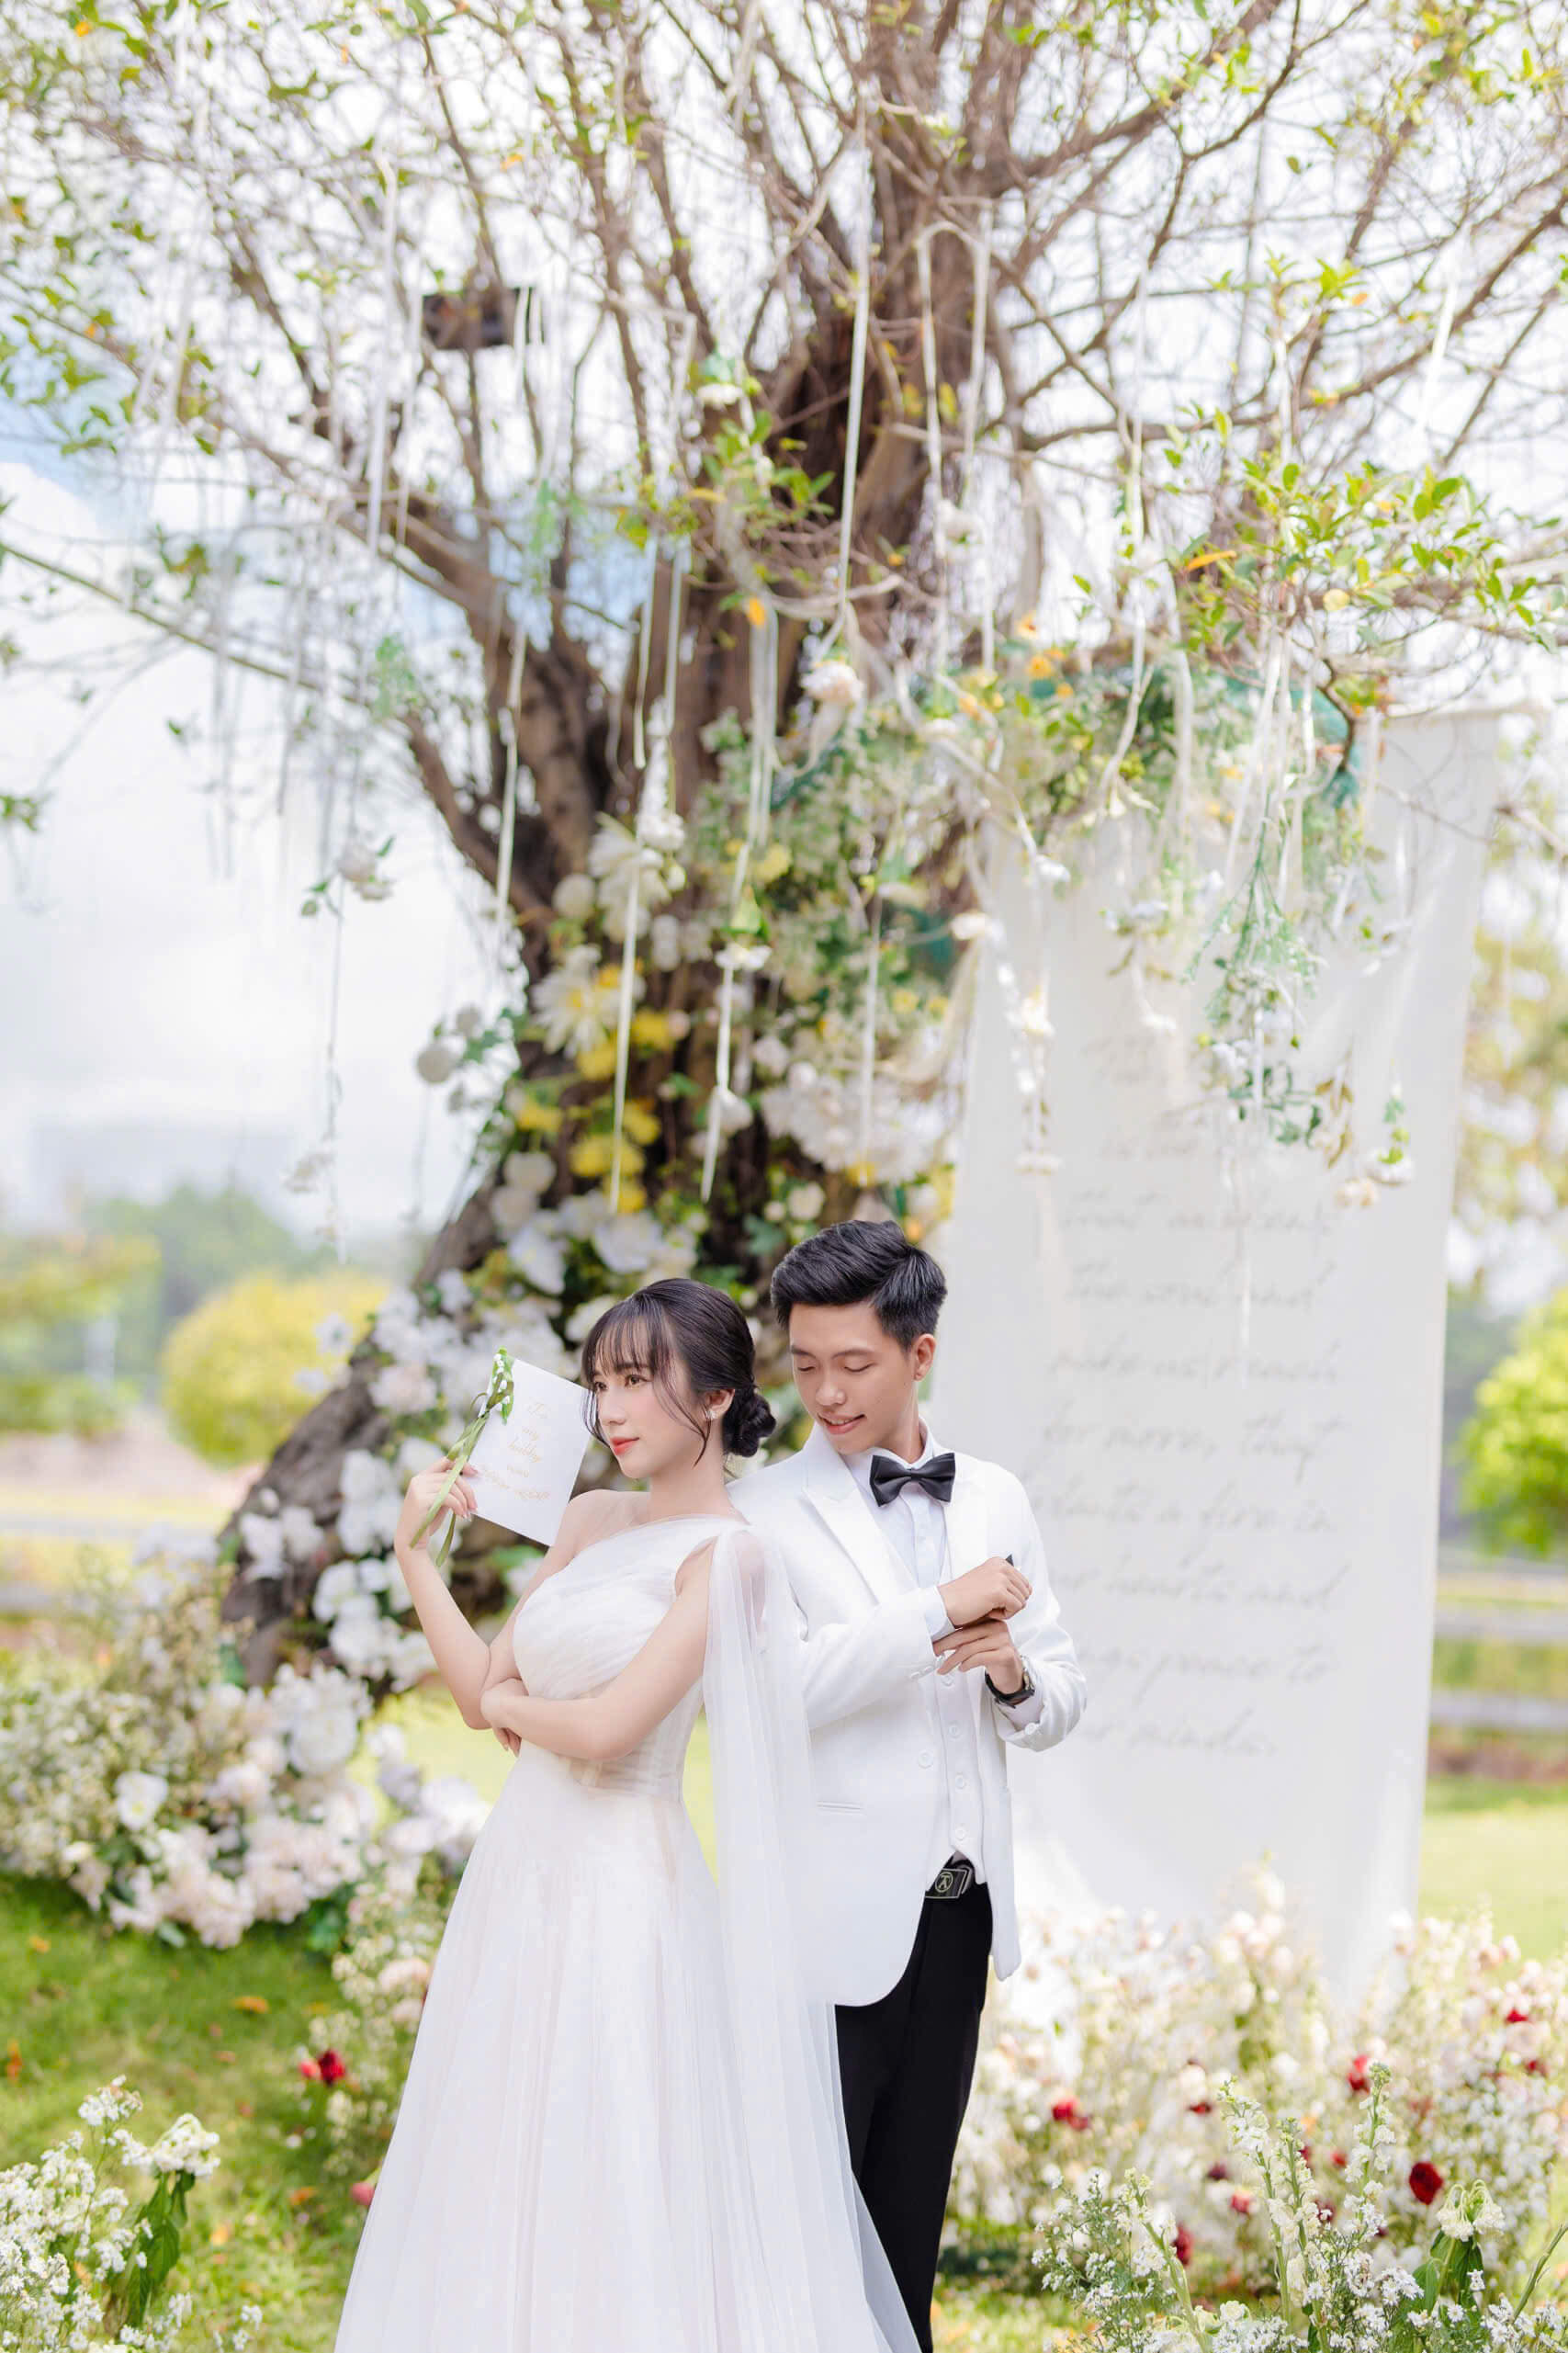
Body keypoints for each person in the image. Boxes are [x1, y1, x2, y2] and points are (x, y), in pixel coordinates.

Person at [333, 1276, 919, 2353]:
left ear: (716, 1396)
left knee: (610, 2143)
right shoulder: (590, 1518)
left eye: (639, 1380)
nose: (611, 1408)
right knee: (500, 2135)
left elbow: (606, 1728)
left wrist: (517, 1707)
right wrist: (417, 1554)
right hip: (521, 1870)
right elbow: (476, 1694)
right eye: (601, 1382)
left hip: (623, 1880)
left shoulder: (733, 1555)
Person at [729, 1218, 1088, 2353]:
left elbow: (1062, 1695)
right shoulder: (761, 1511)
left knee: (906, 2235)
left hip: (958, 1916)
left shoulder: (997, 1496)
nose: (826, 1392)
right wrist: (937, 1610)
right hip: (826, 1921)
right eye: (804, 1364)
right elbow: (774, 1694)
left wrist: (1013, 1672)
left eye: (854, 1363)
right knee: (808, 2237)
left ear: (919, 1353)